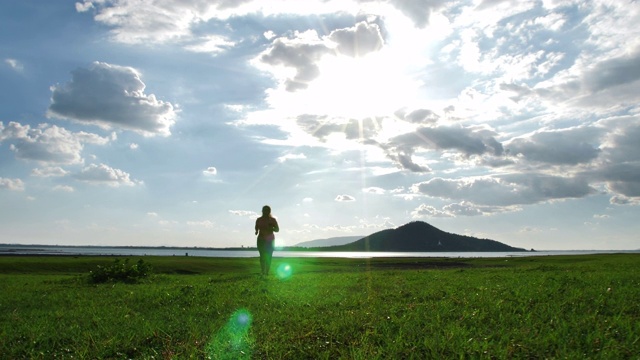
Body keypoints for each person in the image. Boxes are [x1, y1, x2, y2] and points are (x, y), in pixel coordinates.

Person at [255, 205, 279, 276]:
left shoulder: (273, 220)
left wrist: (271, 229)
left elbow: (277, 229)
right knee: (262, 256)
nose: (265, 212)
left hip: (270, 240)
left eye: (267, 210)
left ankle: (267, 272)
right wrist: (256, 231)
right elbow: (256, 226)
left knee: (269, 256)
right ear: (262, 211)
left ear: (269, 211)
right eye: (264, 210)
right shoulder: (258, 219)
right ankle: (263, 271)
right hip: (261, 239)